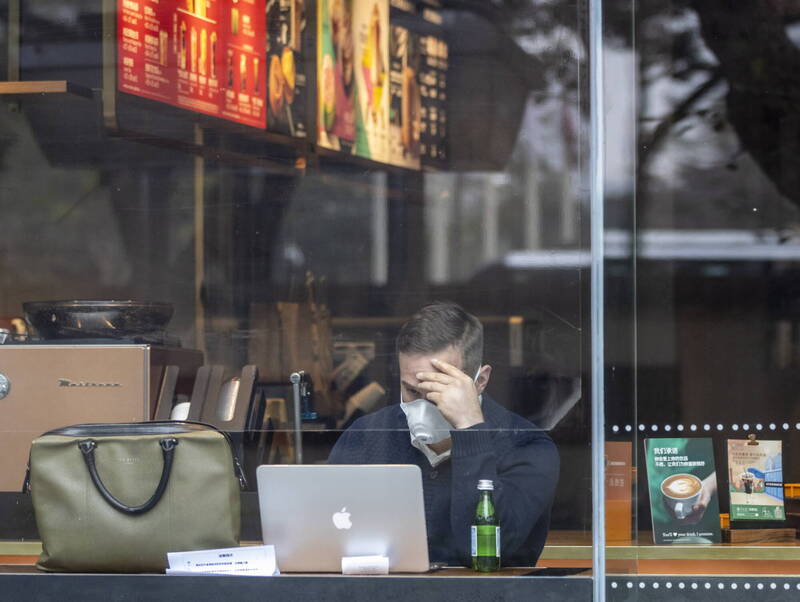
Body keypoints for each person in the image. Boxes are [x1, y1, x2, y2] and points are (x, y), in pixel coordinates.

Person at [328, 301, 560, 566]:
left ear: (480, 381)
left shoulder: (528, 446)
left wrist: (470, 429)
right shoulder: (364, 436)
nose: (423, 404)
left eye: (439, 389)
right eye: (412, 390)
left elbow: (494, 550)